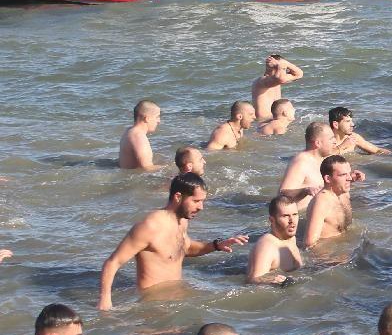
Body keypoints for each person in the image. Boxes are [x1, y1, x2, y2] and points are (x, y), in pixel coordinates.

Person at [98, 172, 248, 310]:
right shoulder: (150, 226)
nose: (201, 207)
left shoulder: (182, 221)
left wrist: (215, 245)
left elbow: (186, 248)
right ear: (178, 197)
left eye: (202, 201)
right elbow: (113, 262)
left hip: (176, 300)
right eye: (196, 201)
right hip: (153, 306)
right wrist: (105, 300)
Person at [278, 122, 341, 211]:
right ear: (318, 143)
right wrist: (305, 191)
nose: (335, 141)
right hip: (301, 218)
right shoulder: (301, 162)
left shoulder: (323, 160)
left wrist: (349, 178)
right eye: (331, 138)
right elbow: (282, 194)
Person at [302, 155, 359, 246]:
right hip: (329, 255)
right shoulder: (321, 203)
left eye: (349, 173)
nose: (349, 178)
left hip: (345, 246)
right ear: (328, 179)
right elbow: (309, 243)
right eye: (343, 175)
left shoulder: (343, 193)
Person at [246, 195, 302, 284]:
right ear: (272, 220)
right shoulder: (266, 246)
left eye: (295, 214)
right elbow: (252, 280)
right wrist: (271, 280)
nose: (292, 220)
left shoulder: (291, 238)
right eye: (285, 216)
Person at [251, 54, 304, 121]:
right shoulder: (261, 81)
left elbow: (300, 74)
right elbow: (281, 79)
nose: (284, 69)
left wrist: (285, 63)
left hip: (274, 120)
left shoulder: (276, 81)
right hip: (264, 122)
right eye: (283, 67)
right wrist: (280, 64)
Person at [119, 100, 161, 170]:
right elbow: (147, 169)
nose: (159, 121)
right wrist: (169, 167)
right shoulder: (138, 137)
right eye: (157, 117)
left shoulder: (129, 131)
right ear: (147, 119)